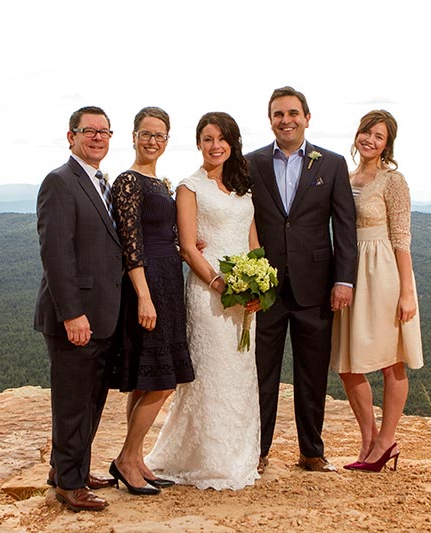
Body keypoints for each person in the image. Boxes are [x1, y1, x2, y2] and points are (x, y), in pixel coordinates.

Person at [145, 112, 261, 490]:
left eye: (222, 138)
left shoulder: (244, 189)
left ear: (232, 143)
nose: (215, 146)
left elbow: (253, 242)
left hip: (243, 296)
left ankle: (237, 455)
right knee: (210, 374)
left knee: (239, 374)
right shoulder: (189, 186)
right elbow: (189, 246)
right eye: (207, 139)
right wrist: (217, 282)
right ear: (198, 143)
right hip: (208, 292)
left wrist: (258, 286)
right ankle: (204, 458)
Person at [246, 87, 358, 473]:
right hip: (266, 290)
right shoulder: (251, 164)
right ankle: (256, 452)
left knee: (312, 375)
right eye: (278, 114)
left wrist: (344, 280)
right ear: (270, 120)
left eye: (293, 112)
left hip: (317, 287)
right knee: (262, 374)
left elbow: (344, 228)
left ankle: (311, 451)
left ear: (307, 118)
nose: (286, 119)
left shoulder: (331, 164)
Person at [33, 106, 120, 512]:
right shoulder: (60, 182)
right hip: (76, 315)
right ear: (71, 137)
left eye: (104, 131)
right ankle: (70, 484)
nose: (98, 137)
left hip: (103, 313)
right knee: (72, 402)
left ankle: (69, 467)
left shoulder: (101, 183)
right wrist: (71, 313)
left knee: (91, 399)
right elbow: (56, 254)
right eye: (89, 131)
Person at [331, 109, 424, 472]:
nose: (369, 139)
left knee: (390, 360)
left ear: (387, 144)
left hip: (383, 272)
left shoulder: (393, 181)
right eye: (366, 132)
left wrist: (406, 291)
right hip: (349, 271)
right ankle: (368, 440)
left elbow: (402, 238)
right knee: (348, 365)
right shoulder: (346, 176)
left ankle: (387, 440)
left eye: (379, 136)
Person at [109, 106, 194, 495]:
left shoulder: (159, 182)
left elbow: (160, 234)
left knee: (148, 380)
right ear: (133, 136)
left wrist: (181, 248)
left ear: (166, 140)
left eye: (159, 135)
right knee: (161, 382)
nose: (152, 141)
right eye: (146, 133)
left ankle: (136, 458)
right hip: (147, 285)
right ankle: (126, 458)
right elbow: (131, 245)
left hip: (168, 279)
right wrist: (143, 296)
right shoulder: (128, 182)